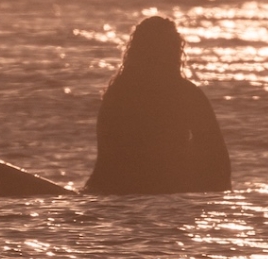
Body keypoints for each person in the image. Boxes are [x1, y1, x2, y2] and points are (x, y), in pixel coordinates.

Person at [84, 15, 231, 194]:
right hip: (165, 187)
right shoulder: (185, 93)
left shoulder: (118, 92)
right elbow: (218, 158)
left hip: (115, 189)